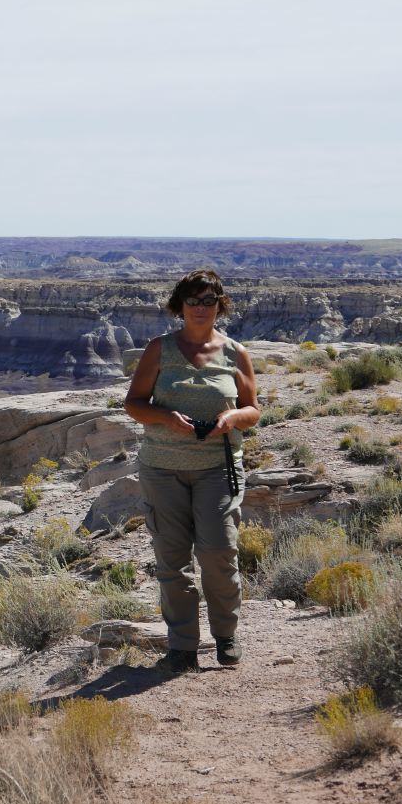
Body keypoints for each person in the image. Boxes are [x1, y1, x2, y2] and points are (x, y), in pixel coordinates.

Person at [124, 268, 260, 673]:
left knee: (219, 551)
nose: (201, 309)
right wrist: (166, 418)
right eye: (193, 301)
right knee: (172, 558)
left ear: (221, 305)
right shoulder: (159, 349)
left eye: (209, 301)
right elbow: (134, 404)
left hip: (217, 468)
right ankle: (182, 645)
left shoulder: (236, 352)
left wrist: (232, 417)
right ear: (179, 306)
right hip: (162, 469)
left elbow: (254, 410)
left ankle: (226, 635)